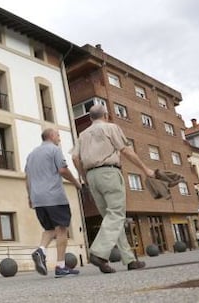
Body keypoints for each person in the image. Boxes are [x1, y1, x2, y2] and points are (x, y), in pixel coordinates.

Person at [72, 104, 154, 274]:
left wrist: (84, 177)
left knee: (110, 219)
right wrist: (145, 169)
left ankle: (129, 260)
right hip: (109, 173)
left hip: (92, 177)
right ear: (106, 115)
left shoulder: (83, 134)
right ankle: (99, 253)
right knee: (116, 215)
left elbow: (74, 157)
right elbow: (125, 150)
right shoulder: (111, 127)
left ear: (90, 118)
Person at [25, 128, 82, 278]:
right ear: (51, 136)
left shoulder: (31, 155)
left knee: (50, 229)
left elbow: (28, 177)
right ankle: (61, 266)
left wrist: (30, 197)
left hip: (38, 199)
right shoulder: (54, 150)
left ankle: (41, 250)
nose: (59, 139)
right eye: (58, 135)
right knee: (62, 229)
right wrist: (77, 183)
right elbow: (63, 170)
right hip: (54, 196)